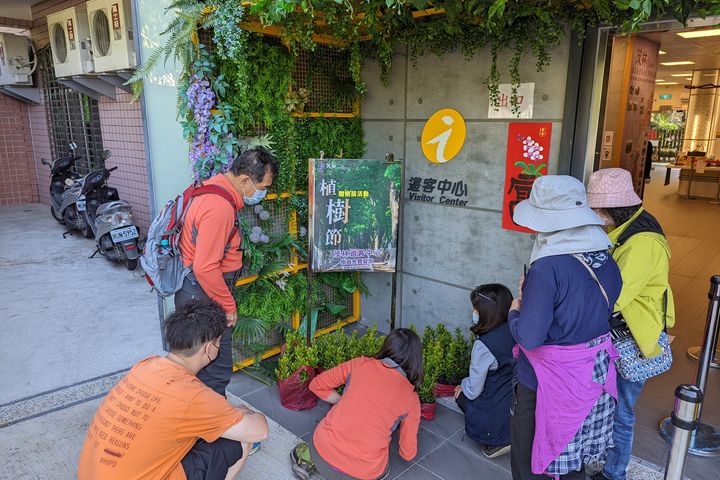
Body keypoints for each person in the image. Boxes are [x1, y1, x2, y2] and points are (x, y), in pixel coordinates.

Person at [509, 175, 623, 480]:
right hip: (592, 376)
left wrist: (515, 310)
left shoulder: (547, 267)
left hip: (547, 382)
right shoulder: (605, 258)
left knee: (528, 456)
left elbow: (530, 337)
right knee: (573, 457)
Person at [77, 299, 269, 480]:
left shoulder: (145, 366)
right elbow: (259, 432)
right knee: (239, 440)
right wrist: (244, 411)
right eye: (219, 342)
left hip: (90, 473)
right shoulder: (192, 396)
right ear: (210, 348)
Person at [587, 168, 675, 480]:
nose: (594, 214)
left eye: (597, 209)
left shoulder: (640, 243)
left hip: (632, 337)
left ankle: (615, 473)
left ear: (611, 209)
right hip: (623, 329)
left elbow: (614, 297)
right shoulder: (629, 227)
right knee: (611, 406)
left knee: (620, 411)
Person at [175, 147, 279, 396]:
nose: (262, 194)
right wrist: (228, 306)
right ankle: (211, 430)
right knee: (215, 372)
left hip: (196, 291)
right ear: (244, 181)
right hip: (204, 296)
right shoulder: (219, 207)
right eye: (262, 187)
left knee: (199, 368)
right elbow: (205, 267)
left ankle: (204, 423)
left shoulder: (211, 188)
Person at [290, 328, 423, 480]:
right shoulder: (411, 398)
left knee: (321, 432)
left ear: (387, 345)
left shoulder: (360, 364)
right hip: (362, 473)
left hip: (322, 456)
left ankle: (307, 462)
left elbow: (317, 385)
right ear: (416, 360)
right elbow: (407, 453)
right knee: (382, 468)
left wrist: (345, 402)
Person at [454, 283, 517, 459]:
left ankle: (496, 442)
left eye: (476, 309)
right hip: (518, 404)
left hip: (495, 414)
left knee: (462, 394)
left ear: (487, 312)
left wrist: (463, 386)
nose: (474, 314)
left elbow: (473, 391)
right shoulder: (517, 328)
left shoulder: (484, 346)